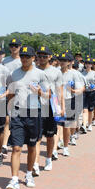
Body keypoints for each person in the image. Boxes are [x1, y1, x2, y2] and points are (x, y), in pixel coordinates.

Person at [5, 46, 49, 189]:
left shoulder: (40, 75)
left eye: (27, 57)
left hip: (34, 114)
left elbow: (48, 95)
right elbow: (10, 94)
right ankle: (14, 179)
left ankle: (29, 173)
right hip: (17, 113)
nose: (24, 59)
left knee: (31, 147)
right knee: (16, 147)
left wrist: (40, 92)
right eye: (22, 56)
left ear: (33, 58)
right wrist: (9, 111)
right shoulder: (13, 74)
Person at [33, 46, 63, 174]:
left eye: (45, 56)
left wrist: (61, 107)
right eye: (39, 56)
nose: (42, 58)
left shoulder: (56, 72)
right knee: (36, 137)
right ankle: (35, 163)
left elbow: (59, 90)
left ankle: (48, 158)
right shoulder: (33, 70)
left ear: (50, 57)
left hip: (51, 106)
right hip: (36, 106)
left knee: (50, 136)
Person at [57, 53, 84, 158]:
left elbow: (80, 88)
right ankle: (58, 143)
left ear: (69, 62)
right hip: (56, 102)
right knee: (58, 124)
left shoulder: (74, 74)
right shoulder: (56, 72)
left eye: (65, 60)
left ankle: (66, 147)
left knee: (67, 125)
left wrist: (73, 90)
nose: (62, 62)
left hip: (69, 100)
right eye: (61, 60)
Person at [1, 38, 23, 156]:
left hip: (21, 94)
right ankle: (4, 145)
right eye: (12, 45)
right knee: (7, 119)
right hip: (7, 91)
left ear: (20, 47)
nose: (14, 47)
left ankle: (14, 140)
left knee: (17, 120)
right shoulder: (5, 61)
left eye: (16, 45)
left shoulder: (23, 60)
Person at [81, 58, 95, 132]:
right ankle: (84, 125)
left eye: (89, 63)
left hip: (92, 93)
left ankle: (90, 124)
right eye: (86, 63)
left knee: (90, 110)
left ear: (91, 65)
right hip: (84, 93)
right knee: (84, 109)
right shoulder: (82, 73)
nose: (88, 65)